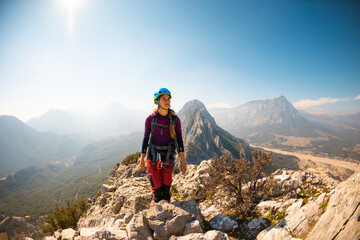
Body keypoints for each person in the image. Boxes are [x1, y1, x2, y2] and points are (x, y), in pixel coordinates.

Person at [139, 87, 187, 203]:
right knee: (157, 191)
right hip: (153, 158)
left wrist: (183, 161)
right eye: (164, 99)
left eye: (168, 99)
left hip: (168, 158)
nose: (167, 101)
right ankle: (158, 213)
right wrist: (142, 159)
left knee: (166, 191)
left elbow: (179, 139)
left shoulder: (175, 120)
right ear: (157, 101)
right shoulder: (150, 119)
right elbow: (146, 138)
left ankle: (166, 212)